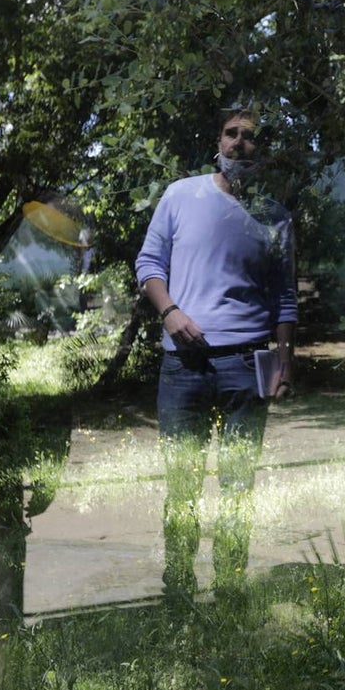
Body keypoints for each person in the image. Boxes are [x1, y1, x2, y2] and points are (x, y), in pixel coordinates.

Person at [134, 106, 297, 603]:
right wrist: (170, 312)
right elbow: (148, 263)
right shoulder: (181, 195)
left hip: (247, 367)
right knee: (182, 485)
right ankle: (178, 589)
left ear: (260, 151)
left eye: (250, 137)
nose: (239, 144)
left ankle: (230, 589)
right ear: (217, 139)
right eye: (232, 134)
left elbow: (284, 298)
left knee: (237, 486)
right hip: (184, 365)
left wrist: (285, 364)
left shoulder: (275, 217)